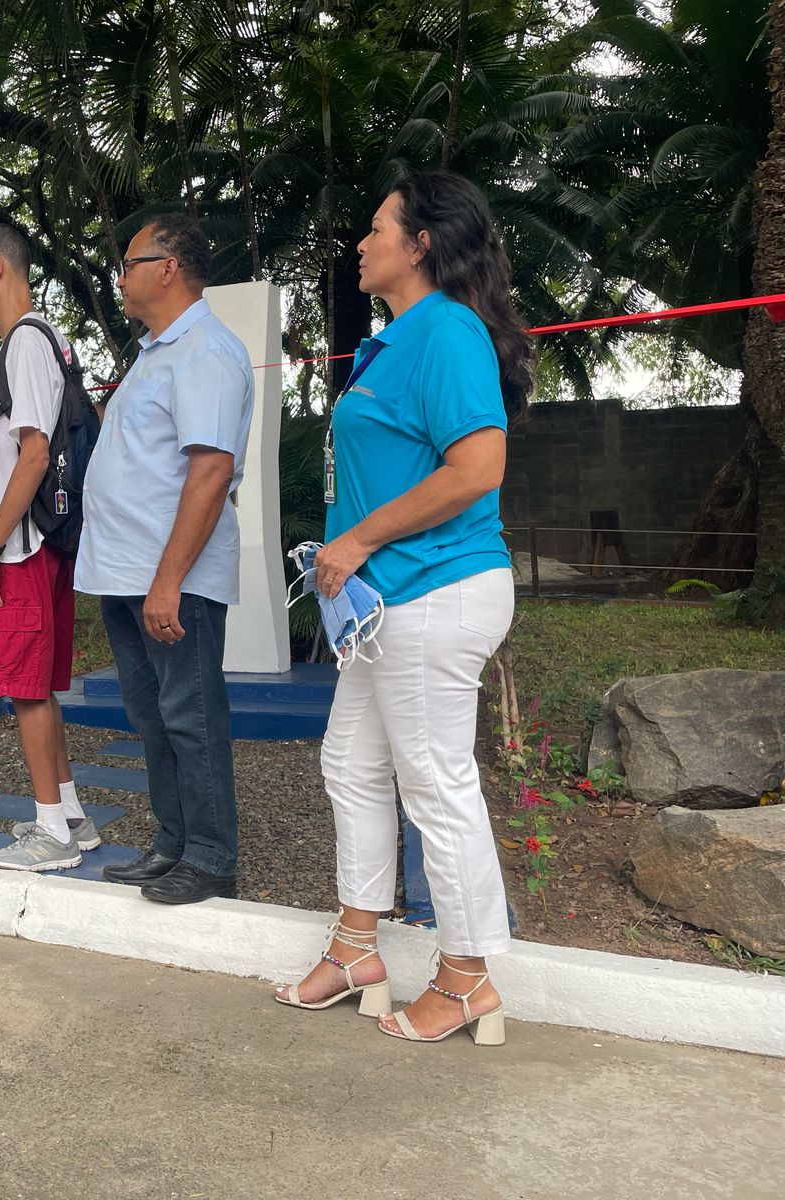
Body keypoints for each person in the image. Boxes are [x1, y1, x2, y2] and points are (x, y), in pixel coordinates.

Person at [272, 170, 530, 1047]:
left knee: (435, 784)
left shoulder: (448, 333)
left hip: (439, 588)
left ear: (420, 244)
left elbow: (477, 471)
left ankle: (465, 979)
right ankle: (356, 948)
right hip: (390, 604)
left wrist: (355, 542)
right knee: (350, 763)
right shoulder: (397, 340)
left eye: (376, 227)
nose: (361, 242)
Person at [78, 214, 255, 904]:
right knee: (153, 716)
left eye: (129, 262)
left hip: (169, 577)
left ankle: (212, 856)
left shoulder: (206, 350)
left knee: (191, 713)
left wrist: (170, 582)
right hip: (127, 572)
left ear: (169, 267)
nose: (119, 277)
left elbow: (210, 471)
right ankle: (174, 842)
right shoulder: (157, 353)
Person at [0, 225, 92, 872]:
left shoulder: (24, 344)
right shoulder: (46, 341)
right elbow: (25, 429)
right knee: (41, 686)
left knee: (27, 687)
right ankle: (69, 816)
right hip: (46, 539)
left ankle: (49, 835)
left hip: (22, 546)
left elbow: (35, 452)